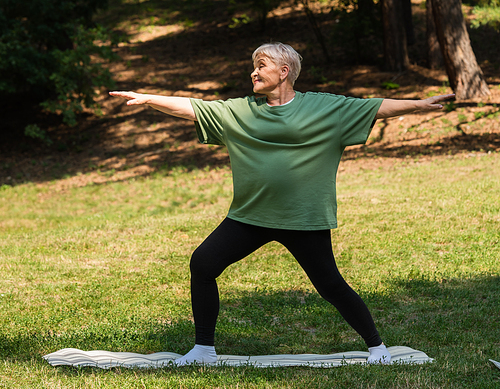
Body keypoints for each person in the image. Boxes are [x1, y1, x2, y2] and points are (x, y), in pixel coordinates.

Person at [110, 42, 454, 366]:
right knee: (203, 264)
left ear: (284, 71)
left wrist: (419, 104)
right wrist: (148, 98)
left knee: (330, 284)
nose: (253, 73)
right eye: (253, 67)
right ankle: (203, 349)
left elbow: (375, 106)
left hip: (302, 218)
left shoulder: (324, 107)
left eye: (261, 66)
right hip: (251, 216)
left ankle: (377, 347)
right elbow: (191, 107)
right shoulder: (240, 111)